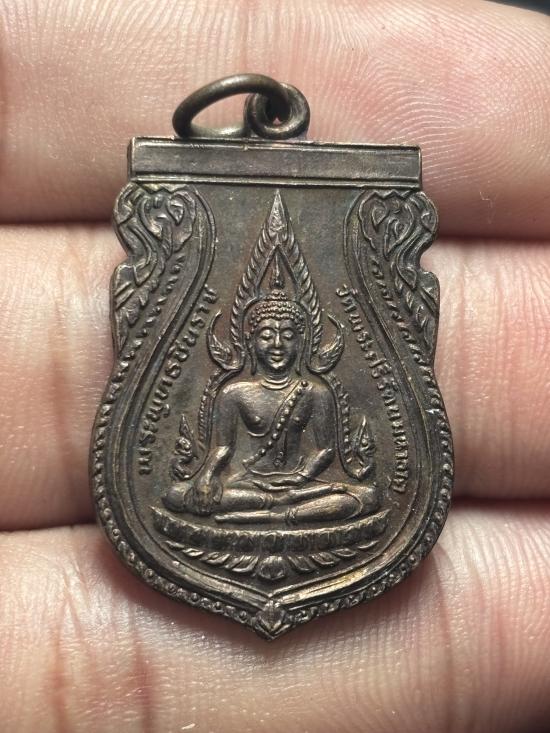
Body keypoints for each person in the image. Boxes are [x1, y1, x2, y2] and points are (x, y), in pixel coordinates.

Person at [163, 289, 379, 524]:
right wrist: (206, 476)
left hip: (301, 483)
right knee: (176, 495)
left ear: (301, 342)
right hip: (250, 482)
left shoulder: (316, 393)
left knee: (368, 496)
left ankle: (278, 513)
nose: (277, 344)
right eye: (266, 336)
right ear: (250, 342)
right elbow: (223, 447)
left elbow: (325, 450)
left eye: (288, 336)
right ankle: (281, 506)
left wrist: (302, 477)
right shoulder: (234, 393)